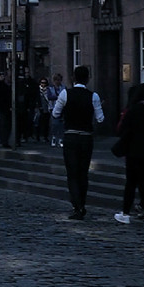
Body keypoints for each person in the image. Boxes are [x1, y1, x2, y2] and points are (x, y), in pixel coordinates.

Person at [51, 64, 105, 219]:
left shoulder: (65, 94)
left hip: (71, 136)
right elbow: (101, 119)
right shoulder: (93, 96)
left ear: (73, 78)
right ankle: (82, 202)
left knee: (72, 173)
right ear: (88, 78)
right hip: (86, 137)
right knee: (83, 172)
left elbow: (55, 114)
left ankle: (77, 206)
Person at [112, 83, 144, 225]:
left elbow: (121, 130)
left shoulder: (133, 110)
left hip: (134, 152)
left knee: (130, 184)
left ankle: (125, 213)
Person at [48, 74, 65, 147]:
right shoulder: (50, 88)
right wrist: (58, 97)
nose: (57, 82)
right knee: (54, 124)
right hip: (53, 107)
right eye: (56, 80)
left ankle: (61, 139)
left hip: (62, 108)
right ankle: (54, 137)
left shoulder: (63, 88)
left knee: (61, 124)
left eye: (59, 80)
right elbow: (49, 97)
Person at [36, 78, 52, 144]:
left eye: (44, 83)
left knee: (46, 123)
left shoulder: (49, 90)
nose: (43, 84)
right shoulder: (38, 90)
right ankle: (38, 136)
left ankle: (45, 136)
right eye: (42, 83)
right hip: (39, 108)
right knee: (38, 122)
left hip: (46, 108)